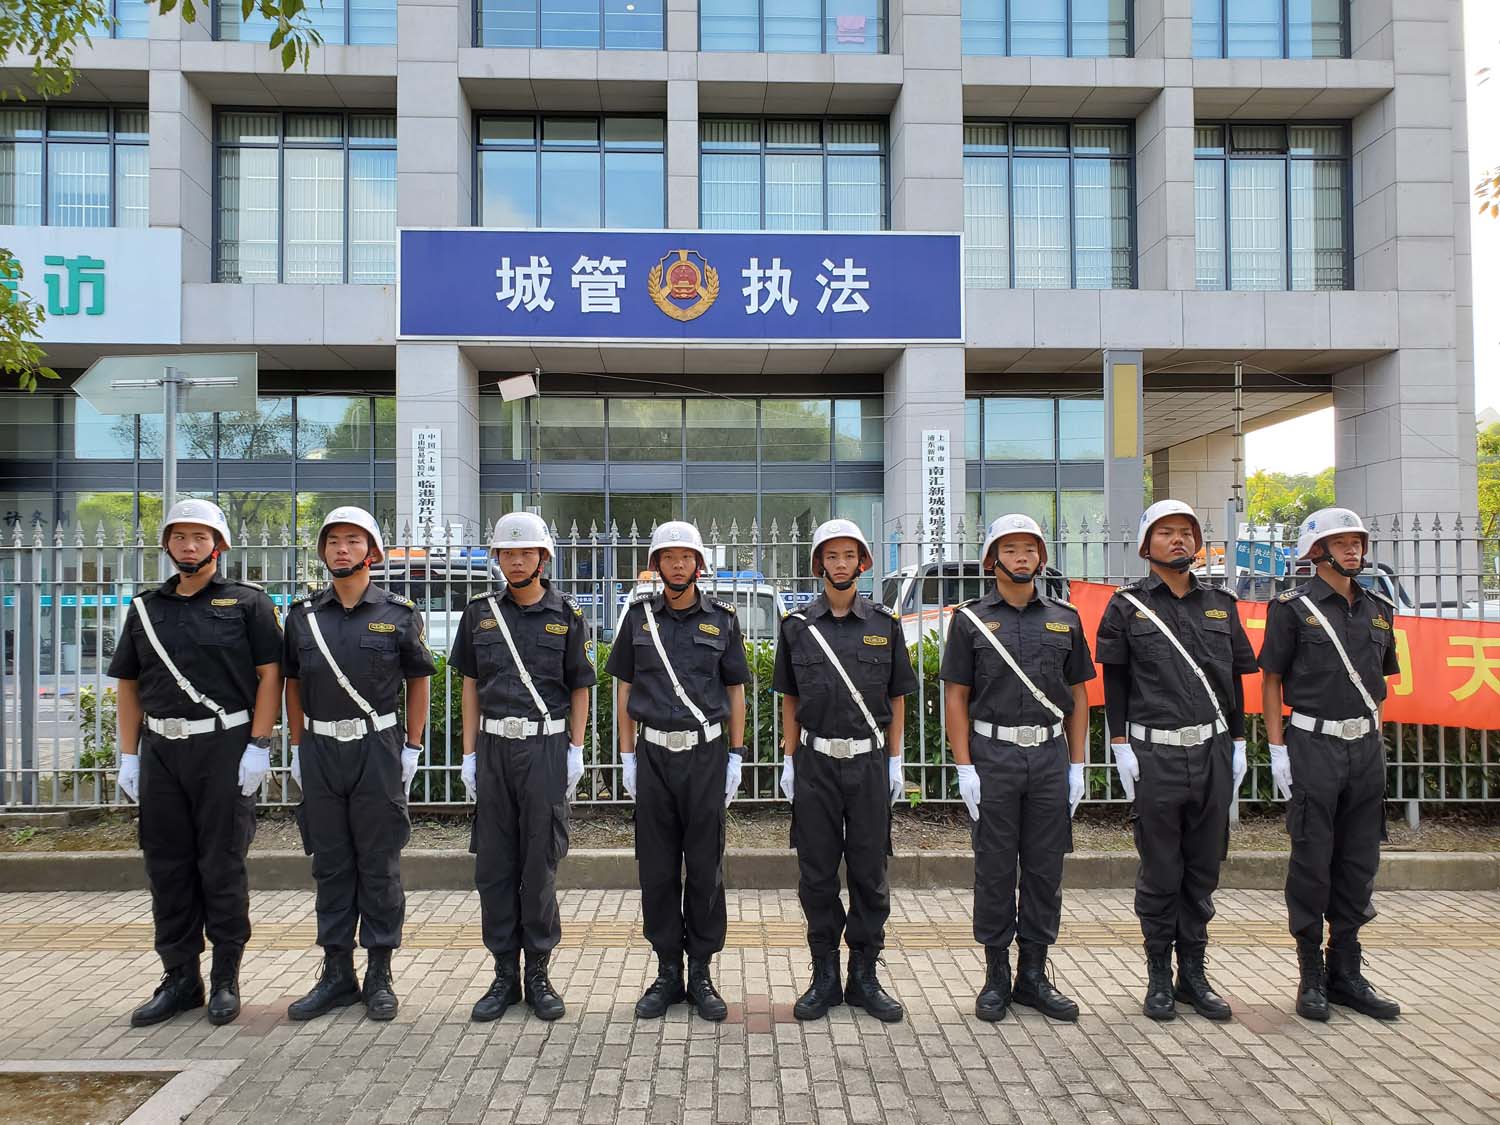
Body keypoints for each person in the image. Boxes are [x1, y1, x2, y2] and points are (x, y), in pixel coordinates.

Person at [109, 499, 282, 1028]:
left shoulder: (248, 603)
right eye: (180, 537)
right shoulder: (145, 609)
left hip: (223, 746)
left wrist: (259, 744)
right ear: (166, 544)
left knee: (221, 864)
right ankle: (181, 977)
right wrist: (129, 756)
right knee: (167, 867)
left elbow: (271, 676)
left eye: (200, 537)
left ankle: (226, 976)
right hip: (162, 752)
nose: (189, 546)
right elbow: (129, 685)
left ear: (219, 545)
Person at [1093, 499, 1257, 1022]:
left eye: (1186, 531)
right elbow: (1116, 682)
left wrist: (1238, 742)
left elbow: (1233, 681)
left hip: (1211, 749)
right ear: (1147, 546)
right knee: (1162, 869)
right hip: (1155, 752)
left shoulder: (1221, 605)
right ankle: (1159, 975)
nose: (1179, 539)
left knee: (1203, 867)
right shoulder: (1126, 607)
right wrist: (1120, 744)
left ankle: (1194, 975)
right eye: (1166, 532)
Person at [282, 506, 433, 1022]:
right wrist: (298, 746)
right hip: (322, 750)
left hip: (377, 749)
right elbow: (292, 685)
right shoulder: (303, 616)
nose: (341, 549)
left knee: (379, 863)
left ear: (372, 552)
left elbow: (418, 681)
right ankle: (336, 974)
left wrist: (412, 746)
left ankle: (379, 972)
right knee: (330, 864)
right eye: (333, 541)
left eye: (352, 541)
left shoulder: (398, 613)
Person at [941, 514, 1094, 1023]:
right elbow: (956, 696)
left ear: (1041, 558)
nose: (1021, 556)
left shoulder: (1066, 618)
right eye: (1010, 549)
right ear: (992, 560)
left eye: (1030, 548)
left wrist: (1077, 765)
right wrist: (965, 767)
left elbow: (1079, 695)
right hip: (994, 756)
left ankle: (1033, 975)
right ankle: (996, 976)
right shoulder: (970, 620)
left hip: (1049, 756)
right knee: (995, 868)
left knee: (1045, 868)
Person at [1259, 507, 1402, 1022]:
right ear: (1316, 552)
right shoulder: (1291, 609)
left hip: (1364, 748)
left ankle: (1347, 971)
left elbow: (1379, 685)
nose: (1353, 550)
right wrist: (1278, 749)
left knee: (1359, 861)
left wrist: (1374, 738)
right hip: (1313, 744)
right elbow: (1271, 681)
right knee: (1313, 861)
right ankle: (1311, 974)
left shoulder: (1379, 609)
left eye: (1357, 542)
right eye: (1341, 543)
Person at [450, 512, 594, 1023]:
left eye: (525, 552)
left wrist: (575, 749)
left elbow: (580, 686)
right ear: (497, 559)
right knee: (494, 867)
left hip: (544, 748)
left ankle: (538, 973)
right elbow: (470, 686)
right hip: (493, 749)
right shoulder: (479, 614)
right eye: (507, 553)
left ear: (542, 559)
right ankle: (503, 976)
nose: (515, 560)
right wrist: (468, 754)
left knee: (539, 865)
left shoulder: (567, 615)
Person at [606, 521, 750, 1022]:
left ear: (699, 565)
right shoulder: (638, 618)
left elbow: (735, 691)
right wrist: (627, 756)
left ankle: (701, 973)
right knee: (658, 868)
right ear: (657, 565)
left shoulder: (722, 620)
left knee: (705, 866)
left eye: (686, 557)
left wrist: (736, 755)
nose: (677, 564)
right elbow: (624, 689)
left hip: (705, 756)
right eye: (668, 557)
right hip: (653, 756)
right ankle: (667, 971)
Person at [773, 518, 915, 1024]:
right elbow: (790, 698)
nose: (840, 564)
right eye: (831, 556)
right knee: (816, 874)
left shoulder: (885, 624)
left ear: (862, 563)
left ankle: (864, 976)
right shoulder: (796, 626)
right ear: (819, 564)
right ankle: (824, 976)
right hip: (814, 764)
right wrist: (789, 759)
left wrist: (895, 760)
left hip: (868, 763)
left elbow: (896, 697)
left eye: (848, 555)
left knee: (870, 874)